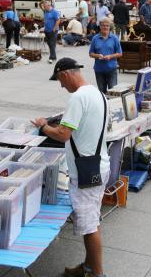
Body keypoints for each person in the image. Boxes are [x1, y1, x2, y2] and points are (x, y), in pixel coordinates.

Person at [31, 58, 110, 277]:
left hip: (85, 171)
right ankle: (87, 266)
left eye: (59, 80)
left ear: (65, 74)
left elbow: (63, 135)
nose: (61, 85)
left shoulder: (77, 98)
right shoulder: (98, 93)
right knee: (91, 219)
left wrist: (43, 126)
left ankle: (98, 274)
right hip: (99, 163)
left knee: (89, 225)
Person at [89, 17, 122, 93]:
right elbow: (91, 53)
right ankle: (104, 105)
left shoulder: (114, 38)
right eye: (103, 25)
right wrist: (97, 56)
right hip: (99, 70)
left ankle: (112, 105)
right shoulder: (95, 38)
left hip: (111, 69)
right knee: (101, 92)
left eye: (107, 25)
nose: (105, 27)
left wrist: (110, 56)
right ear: (100, 26)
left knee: (113, 92)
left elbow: (120, 53)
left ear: (109, 27)